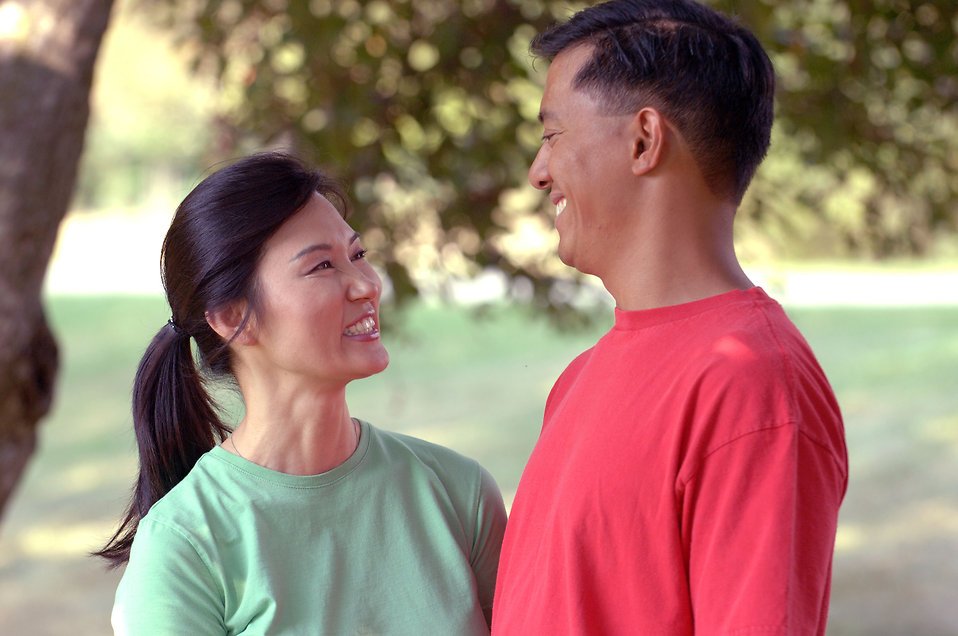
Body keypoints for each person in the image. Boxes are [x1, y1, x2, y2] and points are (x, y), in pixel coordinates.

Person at [492, 1, 848, 634]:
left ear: (644, 140)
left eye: (552, 135)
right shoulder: (578, 380)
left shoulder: (752, 387)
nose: (538, 173)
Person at [95, 152, 507, 635]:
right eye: (322, 266)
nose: (366, 285)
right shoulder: (183, 547)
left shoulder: (458, 494)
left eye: (358, 255)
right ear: (231, 317)